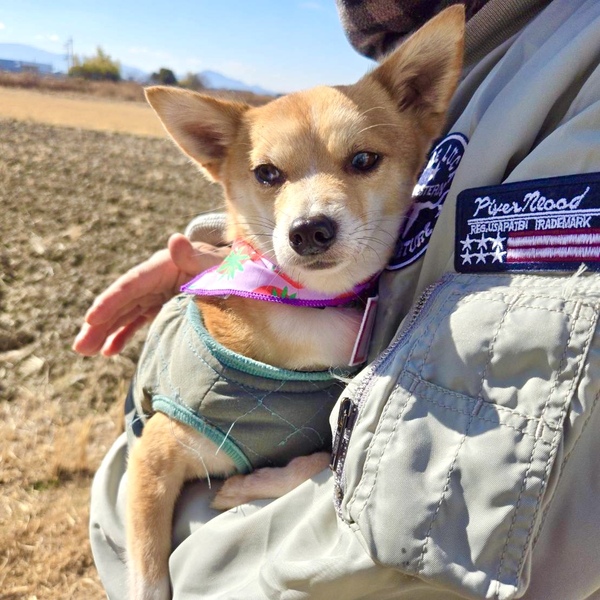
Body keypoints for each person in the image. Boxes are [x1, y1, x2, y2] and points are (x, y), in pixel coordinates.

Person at [80, 0, 600, 598]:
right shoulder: (448, 62)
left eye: (361, 161)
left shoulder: (569, 67)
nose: (311, 218)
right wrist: (223, 250)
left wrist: (316, 477)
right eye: (270, 174)